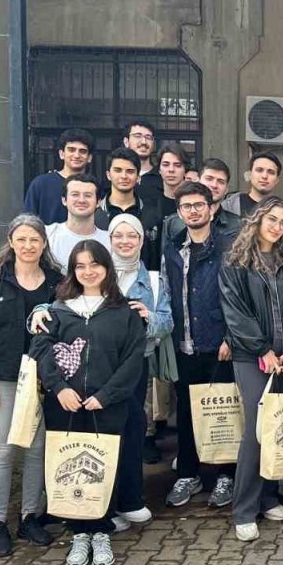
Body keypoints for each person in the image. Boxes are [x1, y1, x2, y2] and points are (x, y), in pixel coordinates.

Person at [30, 240, 146, 565]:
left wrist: (106, 395)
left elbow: (132, 360)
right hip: (64, 404)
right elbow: (42, 350)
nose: (88, 271)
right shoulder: (58, 309)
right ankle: (79, 534)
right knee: (69, 468)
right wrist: (59, 389)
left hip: (107, 405)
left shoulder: (124, 312)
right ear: (73, 271)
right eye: (80, 266)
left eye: (94, 264)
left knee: (103, 465)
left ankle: (101, 531)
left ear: (106, 268)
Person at [220, 197, 283, 541]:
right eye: (272, 219)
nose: (277, 227)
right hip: (251, 357)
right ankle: (243, 510)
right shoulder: (237, 261)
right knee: (255, 432)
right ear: (258, 220)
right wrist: (263, 349)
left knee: (277, 425)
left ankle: (268, 496)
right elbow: (235, 311)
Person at [0, 215, 62, 558]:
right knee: (4, 450)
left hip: (42, 378)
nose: (28, 246)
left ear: (43, 244)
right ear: (11, 241)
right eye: (21, 239)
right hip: (5, 377)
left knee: (36, 449)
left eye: (34, 240)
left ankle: (29, 517)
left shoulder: (56, 282)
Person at [162, 182, 236, 508]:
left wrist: (231, 337)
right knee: (187, 414)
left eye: (199, 205)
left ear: (210, 208)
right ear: (179, 212)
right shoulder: (172, 250)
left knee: (224, 411)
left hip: (219, 345)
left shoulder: (229, 248)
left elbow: (237, 297)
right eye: (186, 206)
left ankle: (225, 476)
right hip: (184, 344)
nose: (193, 210)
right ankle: (188, 475)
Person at [105, 214, 173, 531]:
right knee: (105, 433)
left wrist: (149, 316)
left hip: (135, 365)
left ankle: (130, 498)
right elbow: (63, 304)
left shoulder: (154, 280)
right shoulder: (93, 273)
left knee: (133, 429)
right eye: (118, 236)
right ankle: (104, 505)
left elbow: (167, 320)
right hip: (100, 367)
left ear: (141, 241)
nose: (125, 242)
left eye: (131, 236)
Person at [100, 147, 162, 269]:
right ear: (108, 175)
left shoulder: (152, 215)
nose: (124, 176)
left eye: (130, 171)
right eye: (118, 170)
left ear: (138, 177)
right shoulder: (96, 215)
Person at [24, 128, 93, 225]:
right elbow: (28, 222)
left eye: (82, 151)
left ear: (89, 157)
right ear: (61, 154)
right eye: (71, 150)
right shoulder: (41, 184)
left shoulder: (94, 187)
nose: (77, 155)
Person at [48, 174, 111, 272]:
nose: (81, 200)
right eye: (75, 194)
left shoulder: (109, 241)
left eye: (88, 195)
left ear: (98, 202)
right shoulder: (49, 235)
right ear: (64, 200)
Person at [221, 151, 281, 225]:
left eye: (271, 172)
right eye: (259, 170)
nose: (264, 176)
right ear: (250, 174)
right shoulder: (230, 206)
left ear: (277, 180)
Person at [123, 120, 161, 202]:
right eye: (137, 136)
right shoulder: (116, 176)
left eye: (148, 137)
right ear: (126, 142)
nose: (144, 142)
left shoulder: (161, 178)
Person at [156, 143, 190, 220]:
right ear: (159, 169)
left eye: (177, 165)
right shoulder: (150, 204)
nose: (171, 170)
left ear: (185, 170)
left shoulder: (193, 203)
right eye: (166, 165)